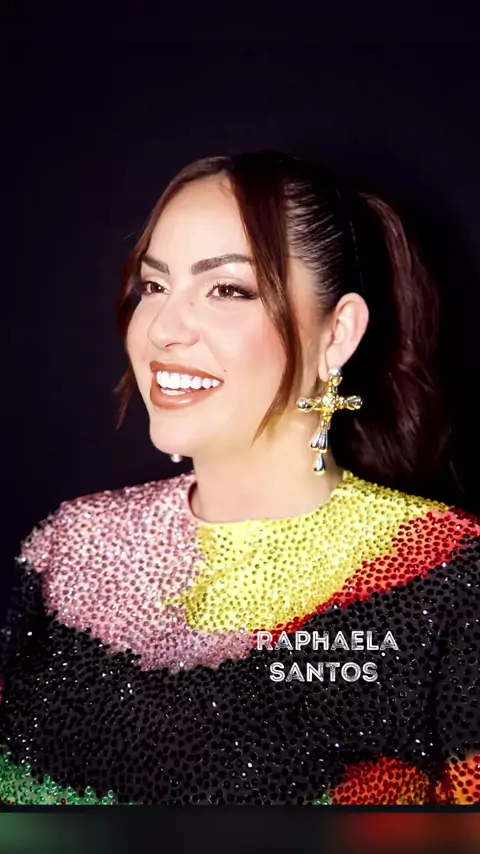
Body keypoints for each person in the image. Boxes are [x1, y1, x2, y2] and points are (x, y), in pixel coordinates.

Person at [1, 150, 479, 806]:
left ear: (337, 334)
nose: (162, 329)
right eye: (153, 286)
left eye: (226, 290)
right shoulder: (69, 549)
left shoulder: (446, 575)